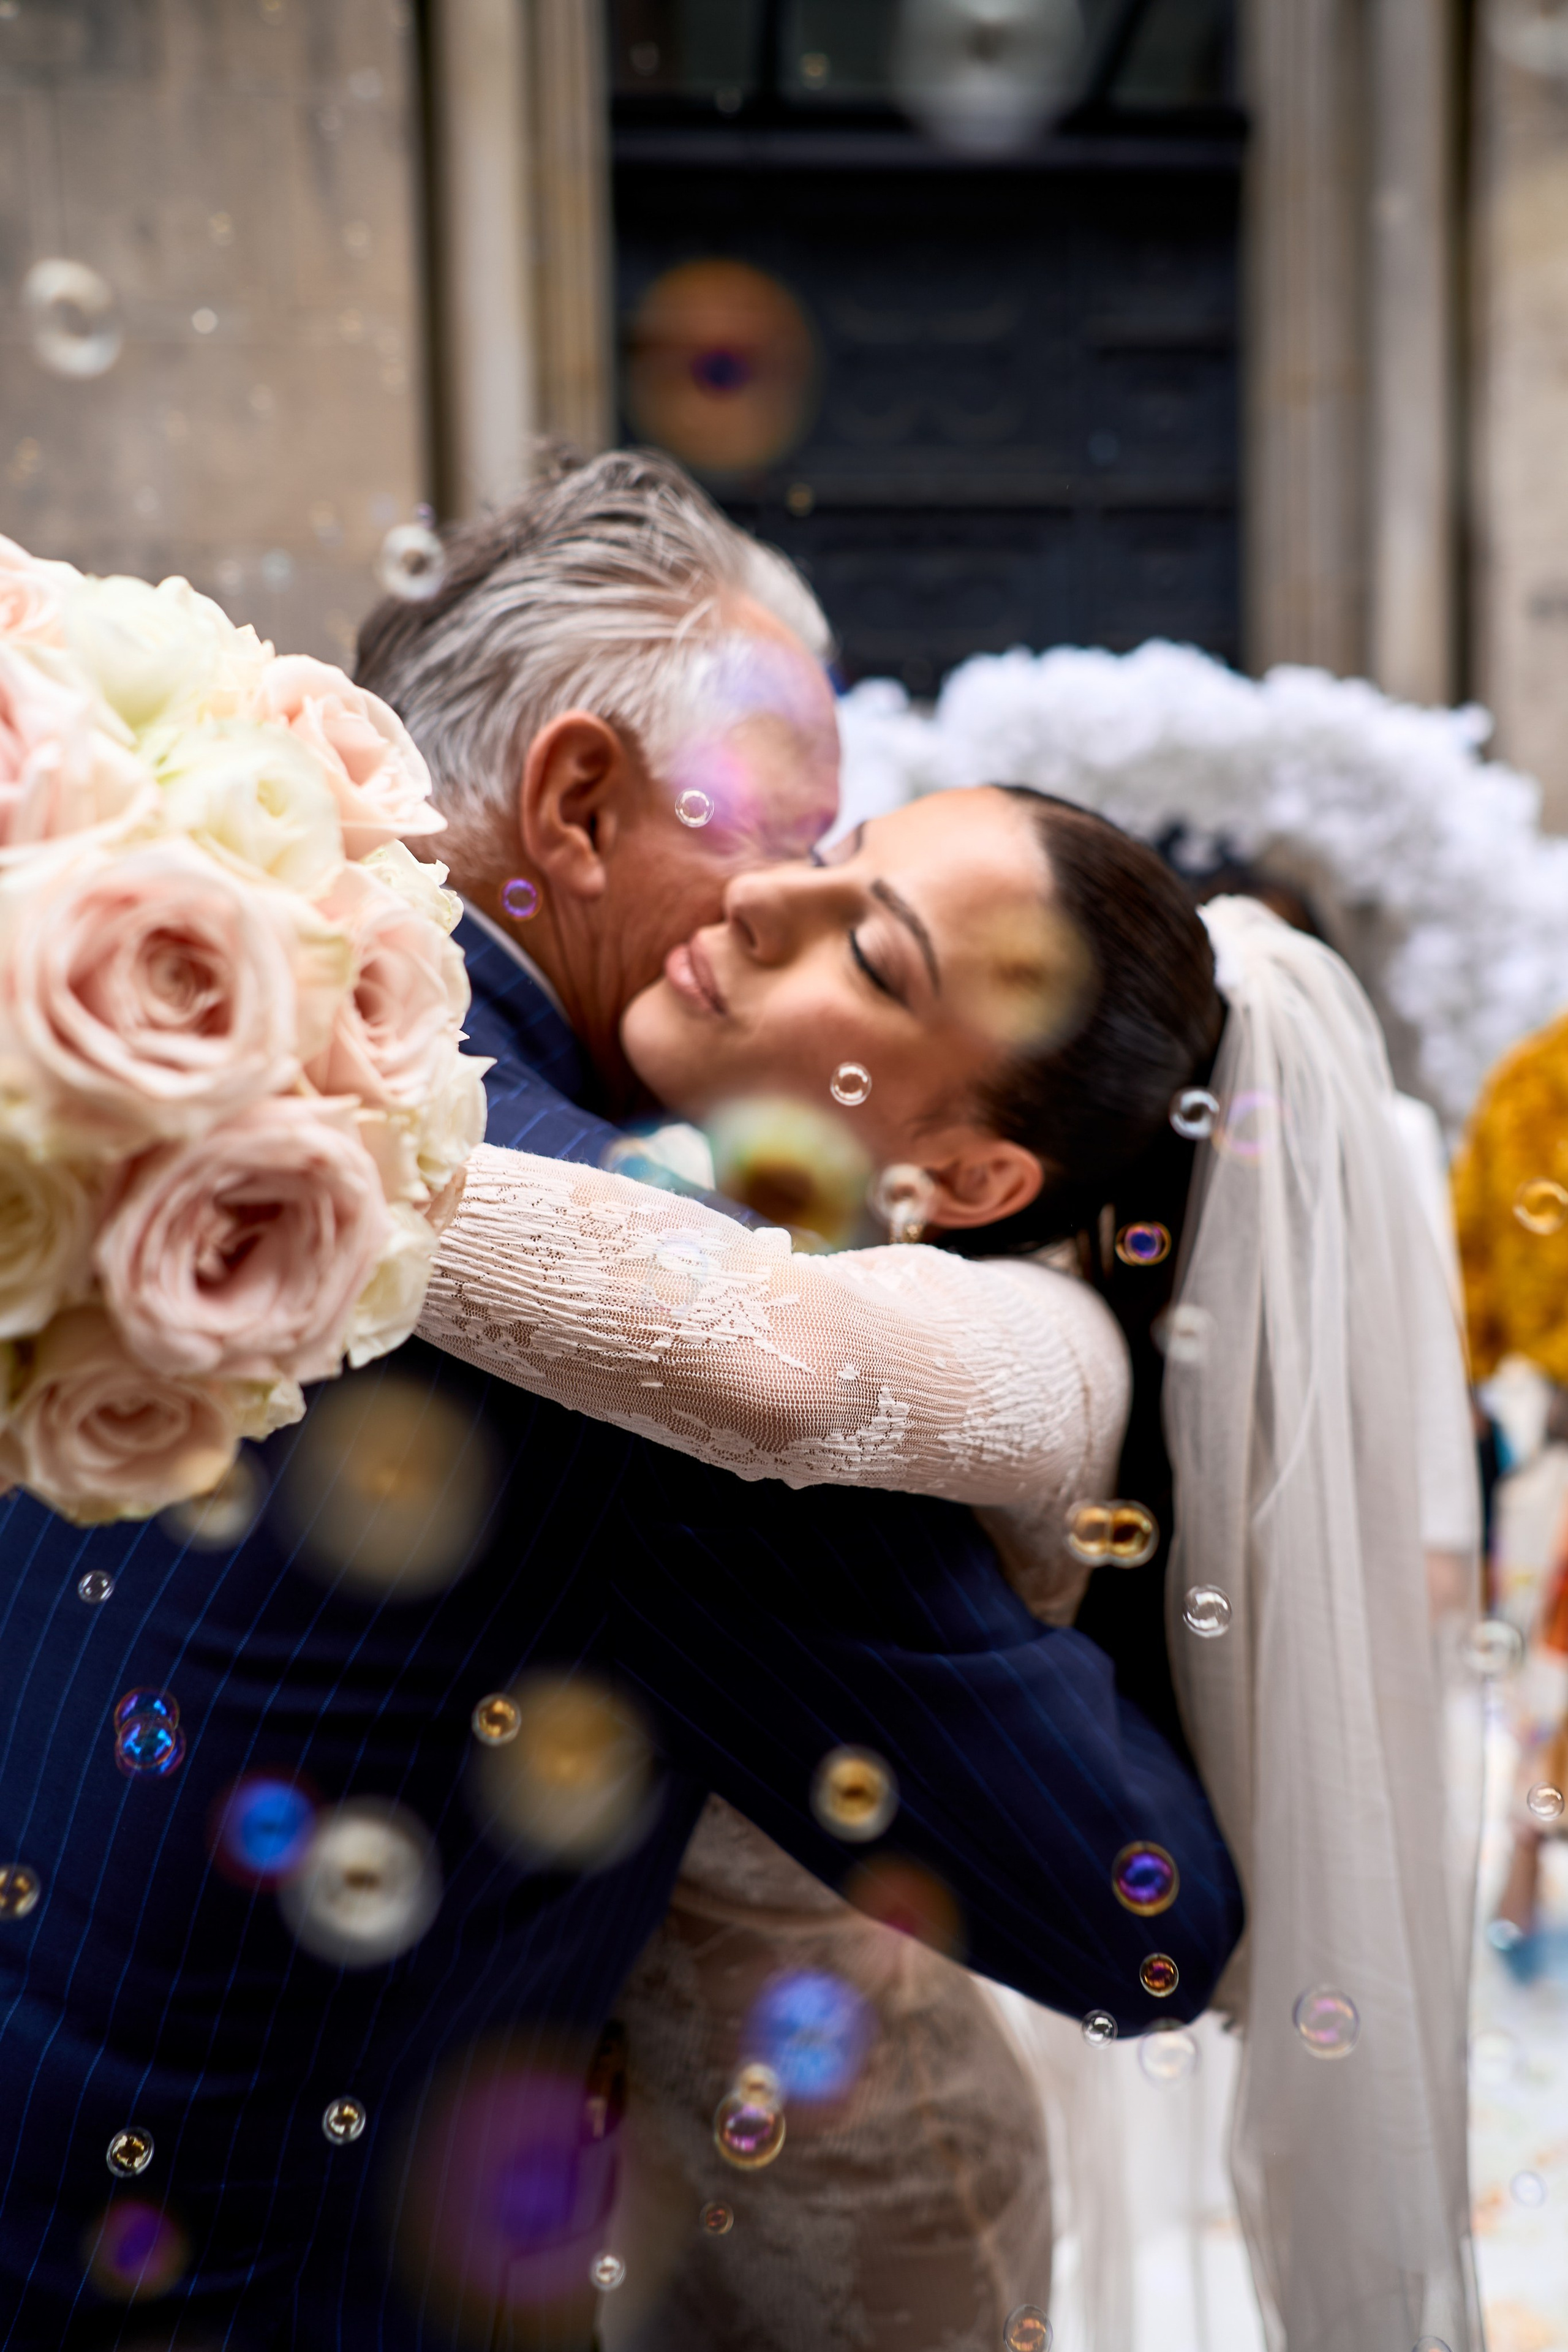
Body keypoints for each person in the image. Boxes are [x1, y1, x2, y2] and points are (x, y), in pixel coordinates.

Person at [0, 450, 1241, 2351]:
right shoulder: (656, 1333)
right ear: (573, 800)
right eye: (790, 832)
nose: (767, 905)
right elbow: (1133, 1920)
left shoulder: (142, 1060)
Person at [418, 781, 1483, 2351]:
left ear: (978, 1182)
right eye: (835, 854)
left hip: (868, 2205)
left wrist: (274, 1126)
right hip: (597, 2172)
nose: (764, 897)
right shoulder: (677, 1161)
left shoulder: (1044, 1345)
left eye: (874, 954)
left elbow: (773, 1362)